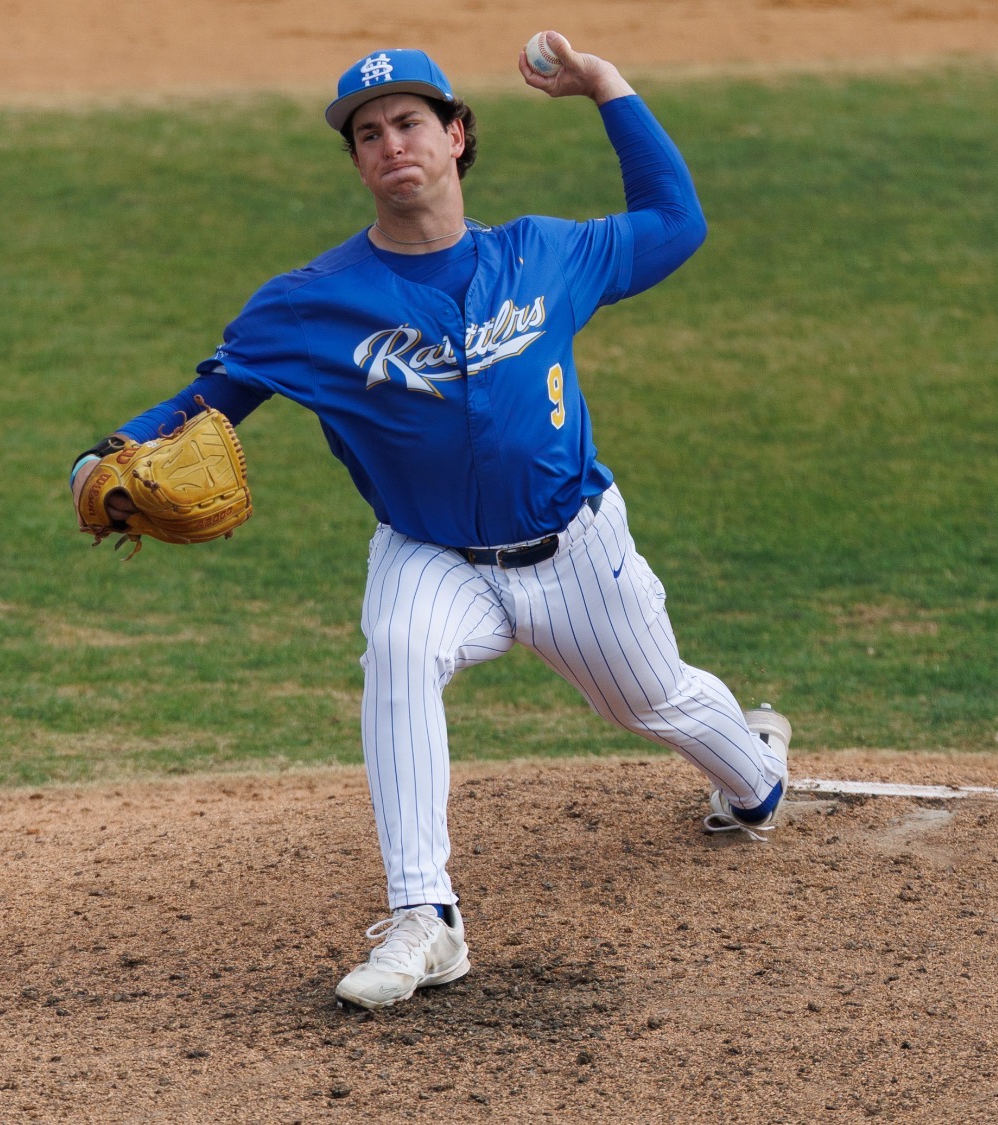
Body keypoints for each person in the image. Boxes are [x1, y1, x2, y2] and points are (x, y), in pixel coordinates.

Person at [70, 34, 791, 1011]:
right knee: (396, 647)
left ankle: (753, 769)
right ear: (358, 162)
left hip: (574, 550)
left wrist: (605, 88)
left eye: (408, 122)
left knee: (655, 703)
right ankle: (426, 917)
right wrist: (98, 458)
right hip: (428, 553)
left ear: (456, 137)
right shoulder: (311, 306)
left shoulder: (545, 256)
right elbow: (208, 402)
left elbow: (674, 221)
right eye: (366, 134)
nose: (388, 144)